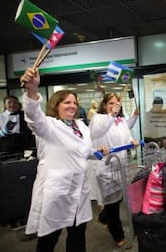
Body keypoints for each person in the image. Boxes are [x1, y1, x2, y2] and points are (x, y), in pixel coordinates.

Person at [20, 67, 105, 252]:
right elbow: (34, 117)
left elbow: (81, 150)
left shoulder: (81, 125)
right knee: (50, 237)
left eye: (74, 102)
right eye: (67, 102)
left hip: (79, 189)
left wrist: (95, 152)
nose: (72, 106)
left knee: (77, 235)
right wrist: (32, 90)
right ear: (56, 105)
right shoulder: (48, 126)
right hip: (58, 190)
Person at [88, 92, 139, 250]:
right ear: (104, 105)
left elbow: (127, 135)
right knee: (112, 204)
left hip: (120, 165)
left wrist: (132, 142)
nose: (114, 106)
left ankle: (103, 218)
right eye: (111, 103)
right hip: (106, 166)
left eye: (117, 103)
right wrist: (111, 114)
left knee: (116, 199)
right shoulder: (99, 118)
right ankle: (118, 235)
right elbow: (96, 133)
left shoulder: (121, 120)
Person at [0, 95, 32, 160]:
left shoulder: (25, 115)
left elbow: (33, 128)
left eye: (15, 102)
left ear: (18, 104)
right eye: (9, 102)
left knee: (25, 166)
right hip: (6, 146)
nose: (12, 104)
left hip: (23, 144)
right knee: (9, 167)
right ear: (5, 105)